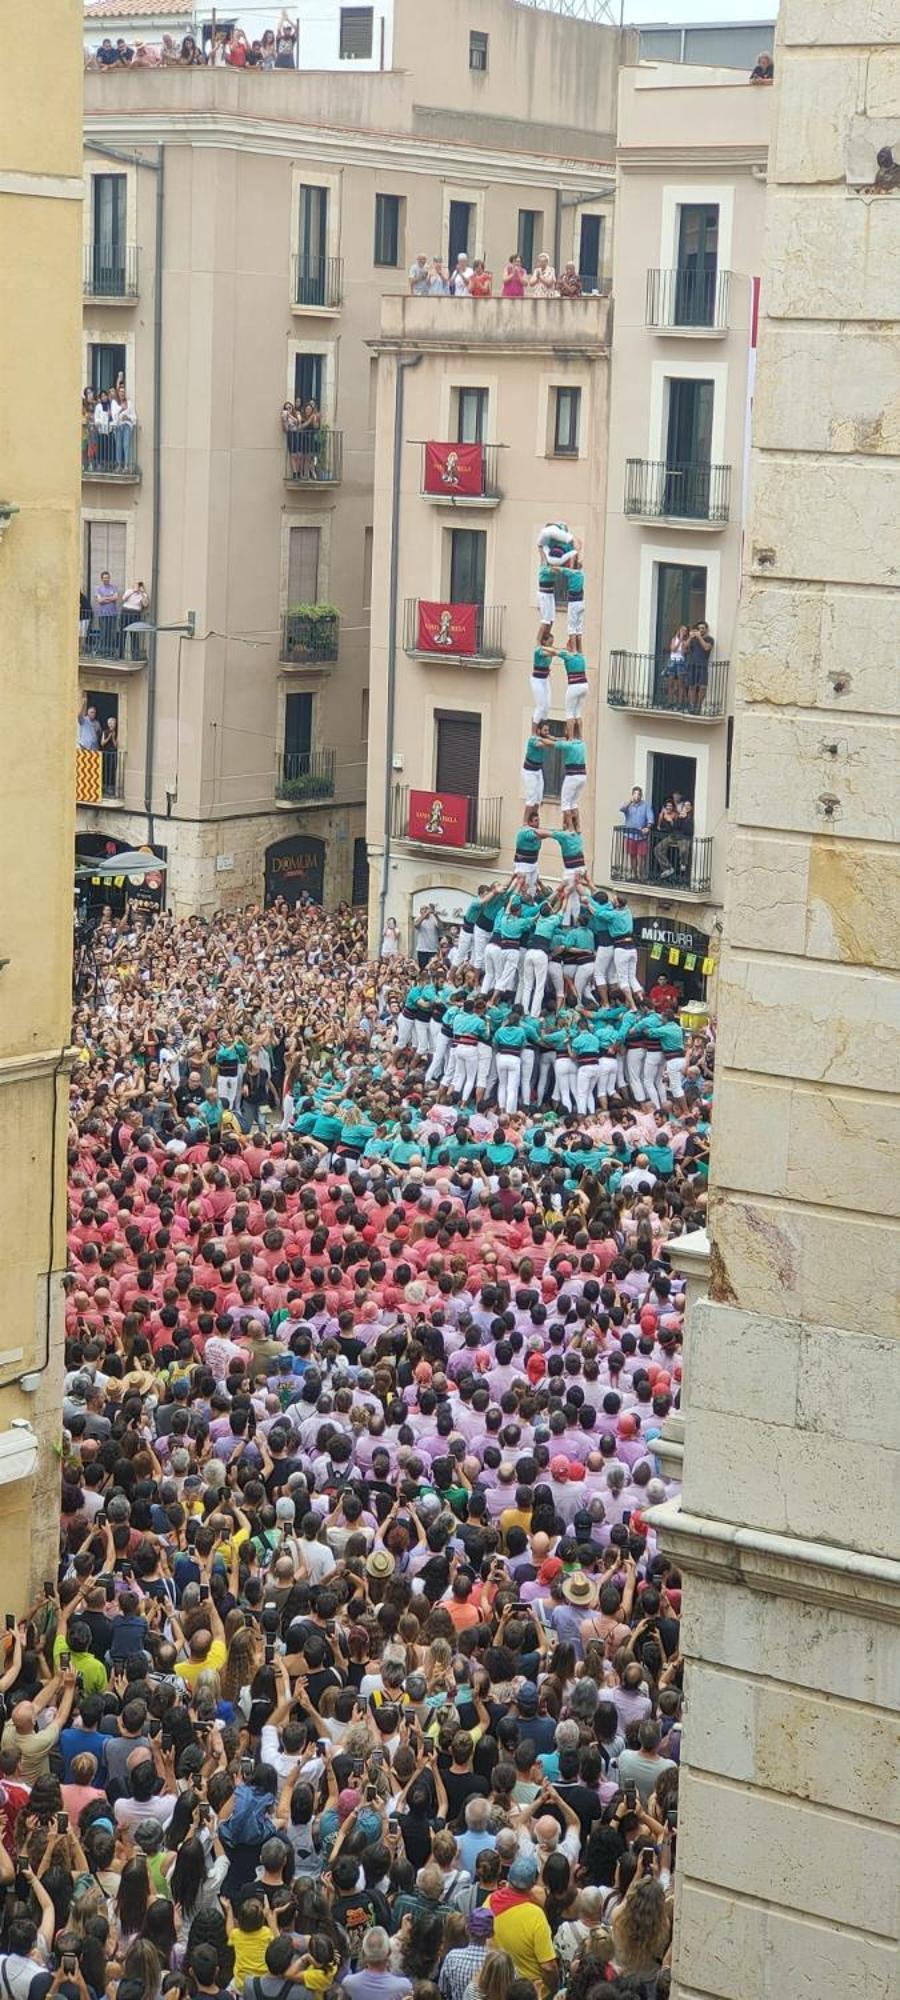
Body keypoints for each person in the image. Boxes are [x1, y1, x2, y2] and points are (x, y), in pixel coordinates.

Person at [619, 789, 654, 881]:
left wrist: (648, 827)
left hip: (641, 836)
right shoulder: (628, 805)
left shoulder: (645, 806)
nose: (637, 796)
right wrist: (630, 801)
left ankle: (641, 875)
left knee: (641, 856)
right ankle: (634, 874)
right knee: (632, 855)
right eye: (635, 794)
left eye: (639, 794)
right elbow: (621, 809)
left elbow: (650, 818)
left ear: (641, 796)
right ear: (632, 795)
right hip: (630, 835)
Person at [684, 621, 713, 714]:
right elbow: (685, 648)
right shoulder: (693, 640)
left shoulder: (709, 639)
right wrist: (690, 637)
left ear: (706, 629)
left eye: (703, 628)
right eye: (699, 628)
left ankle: (699, 706)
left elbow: (706, 648)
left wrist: (699, 637)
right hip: (692, 665)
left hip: (702, 665)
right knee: (691, 686)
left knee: (702, 687)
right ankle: (692, 706)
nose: (701, 630)